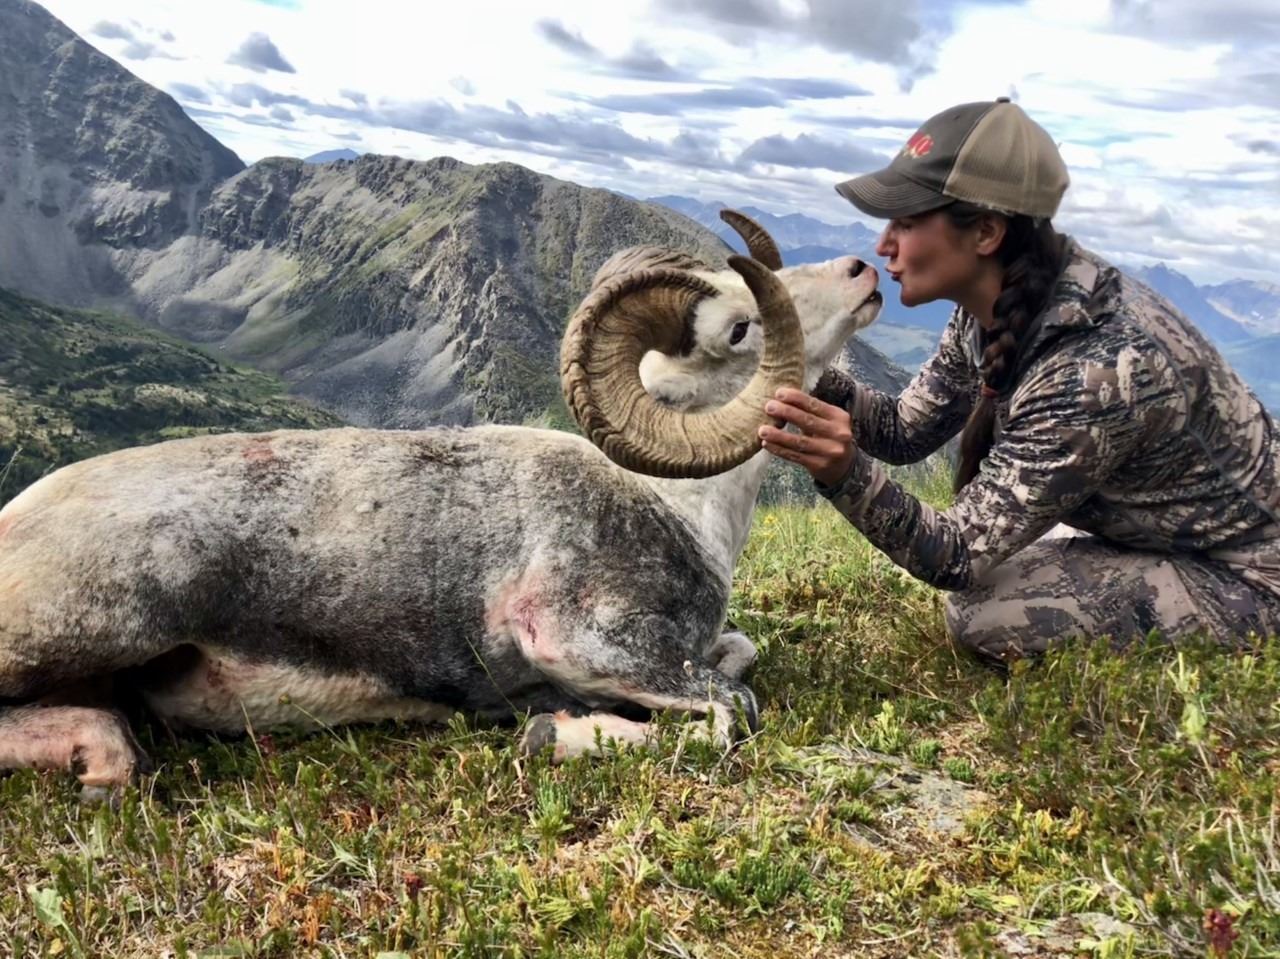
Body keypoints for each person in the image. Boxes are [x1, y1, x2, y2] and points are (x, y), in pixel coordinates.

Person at [757, 97, 1280, 662]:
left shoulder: (1095, 370)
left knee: (984, 610)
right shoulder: (994, 307)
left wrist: (844, 473)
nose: (884, 245)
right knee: (1006, 563)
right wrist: (801, 360)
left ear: (986, 232)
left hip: (1247, 577)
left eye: (907, 223)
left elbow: (955, 554)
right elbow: (901, 431)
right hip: (1154, 539)